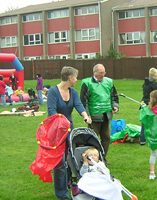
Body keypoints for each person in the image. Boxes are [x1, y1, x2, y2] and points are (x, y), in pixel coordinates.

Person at [47, 66, 92, 200]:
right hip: (56, 131)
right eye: (76, 77)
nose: (77, 80)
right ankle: (61, 194)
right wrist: (62, 122)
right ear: (70, 78)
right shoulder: (53, 92)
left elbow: (79, 105)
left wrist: (85, 116)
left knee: (70, 158)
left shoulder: (72, 92)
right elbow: (51, 111)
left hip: (69, 130)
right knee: (59, 162)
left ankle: (69, 183)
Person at [80, 64, 119, 165]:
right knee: (92, 139)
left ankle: (102, 158)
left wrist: (115, 105)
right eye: (101, 73)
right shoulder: (87, 83)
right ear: (94, 73)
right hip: (93, 116)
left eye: (104, 73)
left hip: (106, 115)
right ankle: (89, 160)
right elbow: (84, 100)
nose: (103, 75)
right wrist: (86, 115)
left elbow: (114, 95)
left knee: (106, 138)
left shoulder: (109, 82)